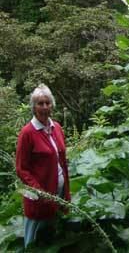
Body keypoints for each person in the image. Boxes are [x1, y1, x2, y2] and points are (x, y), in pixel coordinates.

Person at [16, 84, 70, 249]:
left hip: (58, 193)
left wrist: (66, 190)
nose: (45, 107)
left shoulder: (57, 128)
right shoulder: (27, 133)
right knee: (34, 240)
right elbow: (21, 168)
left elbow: (61, 161)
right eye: (40, 103)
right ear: (33, 107)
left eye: (48, 103)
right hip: (39, 198)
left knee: (52, 238)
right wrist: (39, 191)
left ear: (52, 105)